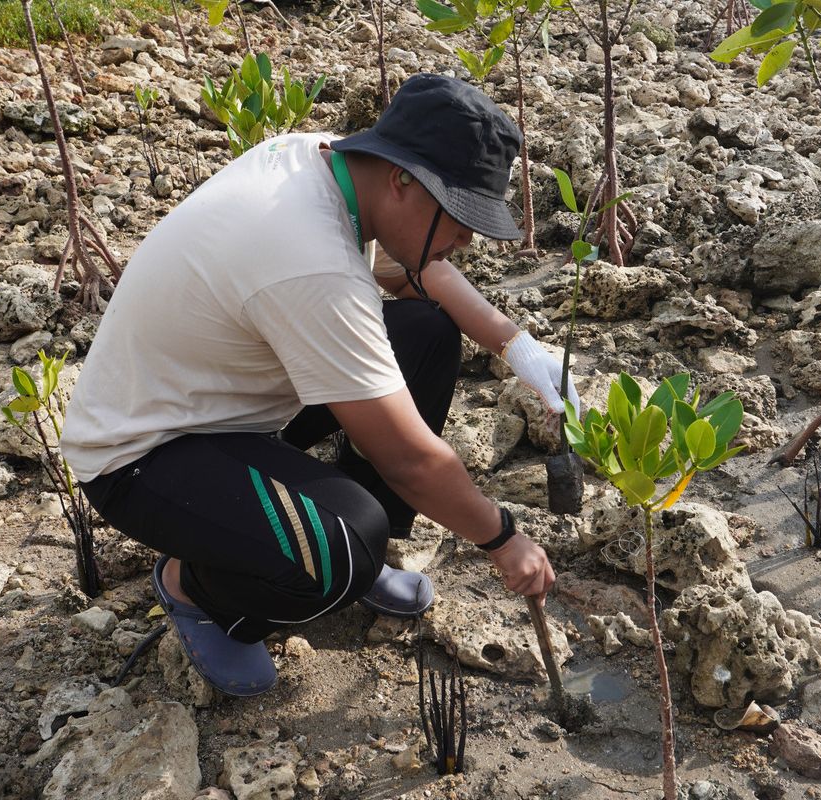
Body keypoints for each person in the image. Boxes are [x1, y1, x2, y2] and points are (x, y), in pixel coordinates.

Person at [61, 74, 580, 697]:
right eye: (462, 217)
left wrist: (519, 349)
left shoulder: (332, 164)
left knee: (425, 334)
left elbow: (416, 271)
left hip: (227, 399)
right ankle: (193, 588)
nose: (466, 239)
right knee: (348, 541)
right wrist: (501, 537)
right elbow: (410, 460)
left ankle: (351, 553)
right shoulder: (307, 257)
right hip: (144, 454)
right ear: (403, 181)